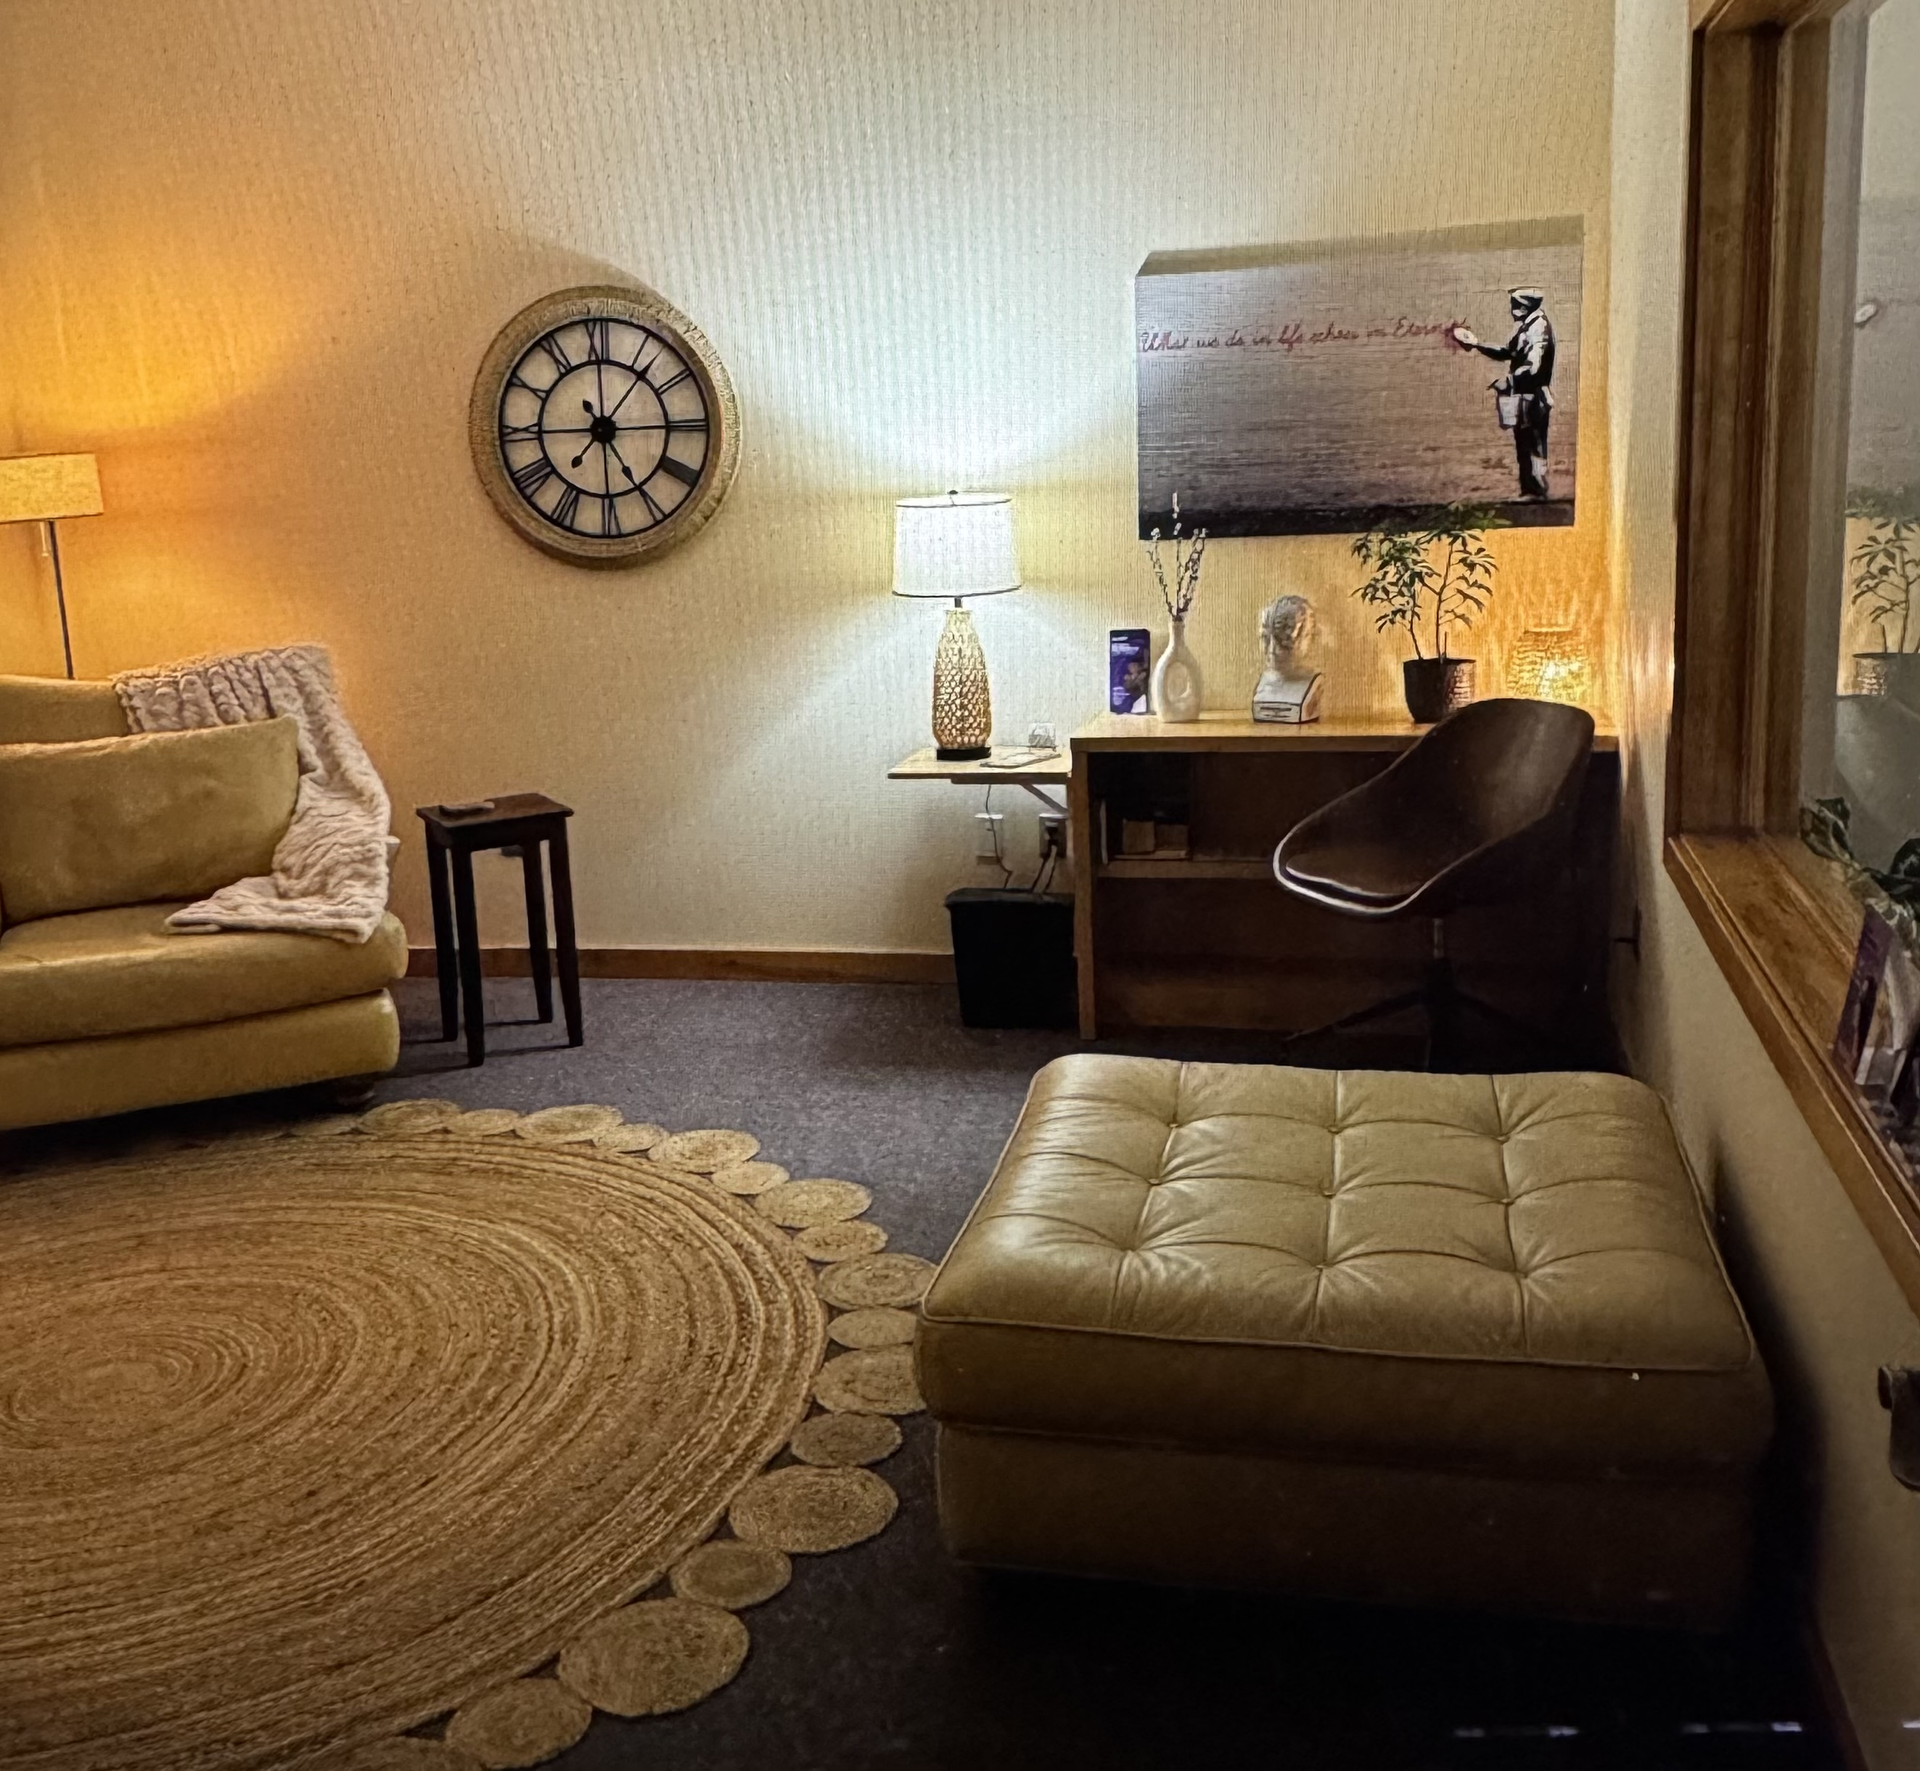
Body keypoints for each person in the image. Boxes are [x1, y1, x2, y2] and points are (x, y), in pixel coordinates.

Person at [1451, 288, 1556, 500]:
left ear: (1523, 307)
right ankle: (1530, 491)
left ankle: (1537, 492)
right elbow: (1507, 352)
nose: (1511, 310)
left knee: (1533, 444)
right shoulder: (1529, 326)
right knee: (1524, 443)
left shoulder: (1539, 329)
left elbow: (1533, 367)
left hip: (1533, 397)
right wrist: (1477, 345)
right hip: (1525, 396)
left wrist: (1508, 381)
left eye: (1514, 306)